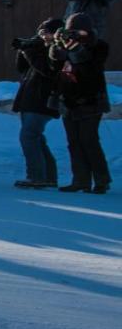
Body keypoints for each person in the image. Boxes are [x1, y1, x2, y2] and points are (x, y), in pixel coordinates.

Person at [49, 13, 111, 194]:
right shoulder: (65, 45)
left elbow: (90, 70)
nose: (73, 34)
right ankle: (80, 180)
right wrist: (55, 45)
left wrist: (75, 49)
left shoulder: (99, 46)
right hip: (69, 101)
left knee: (89, 140)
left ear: (87, 30)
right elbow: (54, 66)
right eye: (70, 30)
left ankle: (102, 180)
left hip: (91, 101)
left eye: (77, 30)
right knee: (74, 142)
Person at [11, 19, 63, 189]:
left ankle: (36, 176)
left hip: (43, 100)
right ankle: (48, 176)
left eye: (46, 32)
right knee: (37, 138)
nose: (43, 35)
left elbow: (48, 70)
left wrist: (30, 51)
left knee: (28, 136)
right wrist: (23, 49)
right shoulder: (39, 48)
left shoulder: (58, 49)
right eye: (40, 32)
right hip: (29, 99)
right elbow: (22, 68)